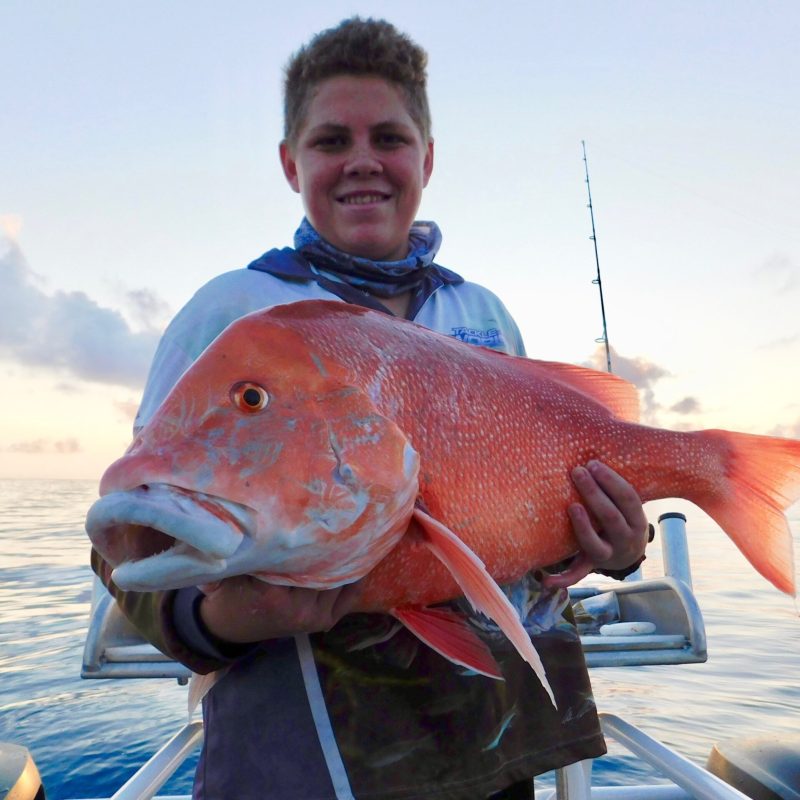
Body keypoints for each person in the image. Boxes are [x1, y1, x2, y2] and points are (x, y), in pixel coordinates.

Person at [91, 17, 650, 800]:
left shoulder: (482, 312)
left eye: (388, 137)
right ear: (291, 162)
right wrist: (228, 619)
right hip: (301, 770)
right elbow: (130, 539)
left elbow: (532, 530)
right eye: (330, 141)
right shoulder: (232, 313)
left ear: (428, 157)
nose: (361, 162)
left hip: (497, 758)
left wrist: (618, 546)